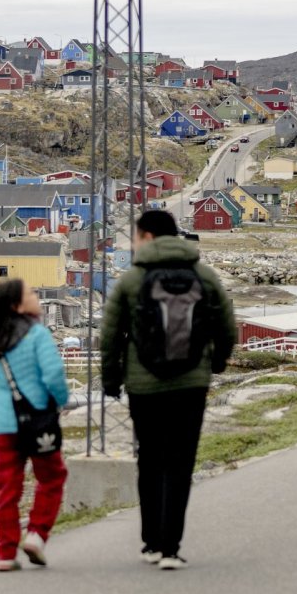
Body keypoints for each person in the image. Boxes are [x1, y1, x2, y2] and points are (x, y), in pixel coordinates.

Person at [102, 210, 237, 571]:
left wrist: (111, 379)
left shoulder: (131, 281)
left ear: (146, 237)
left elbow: (110, 336)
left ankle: (150, 543)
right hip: (191, 384)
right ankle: (171, 548)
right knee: (180, 463)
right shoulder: (204, 275)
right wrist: (217, 362)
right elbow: (227, 326)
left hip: (144, 386)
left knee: (150, 460)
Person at [0, 279, 71, 572]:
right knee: (52, 478)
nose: (36, 295)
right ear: (17, 305)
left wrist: (1, 407)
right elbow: (53, 374)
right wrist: (58, 402)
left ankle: (5, 553)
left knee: (6, 489)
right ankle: (37, 535)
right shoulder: (37, 334)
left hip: (3, 427)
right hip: (38, 421)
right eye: (30, 293)